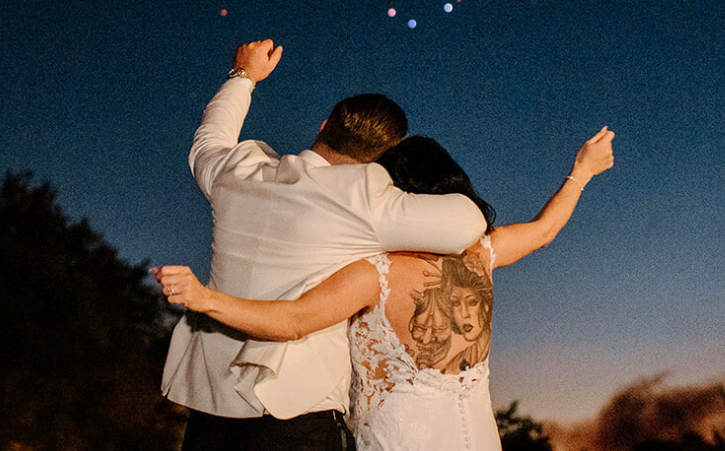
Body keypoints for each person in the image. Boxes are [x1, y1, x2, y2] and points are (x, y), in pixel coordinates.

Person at [155, 128, 615, 451]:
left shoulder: (372, 273)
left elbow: (292, 322)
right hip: (477, 437)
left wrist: (205, 298)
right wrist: (582, 171)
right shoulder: (482, 252)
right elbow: (545, 229)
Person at [162, 40, 489, 451]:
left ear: (323, 125)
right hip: (298, 417)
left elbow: (209, 141)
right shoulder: (367, 198)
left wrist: (243, 76)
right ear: (384, 157)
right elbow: (468, 221)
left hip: (212, 415)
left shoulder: (237, 171)